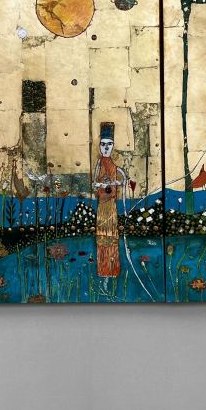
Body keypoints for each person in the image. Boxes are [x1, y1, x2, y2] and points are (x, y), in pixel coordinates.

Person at [92, 124, 125, 295]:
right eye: (103, 144)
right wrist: (106, 185)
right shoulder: (100, 163)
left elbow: (119, 179)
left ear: (113, 146)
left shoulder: (112, 163)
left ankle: (111, 275)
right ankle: (104, 275)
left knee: (112, 241)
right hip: (103, 208)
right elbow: (95, 184)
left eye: (109, 144)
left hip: (111, 208)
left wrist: (117, 182)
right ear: (99, 146)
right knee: (104, 241)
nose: (106, 148)